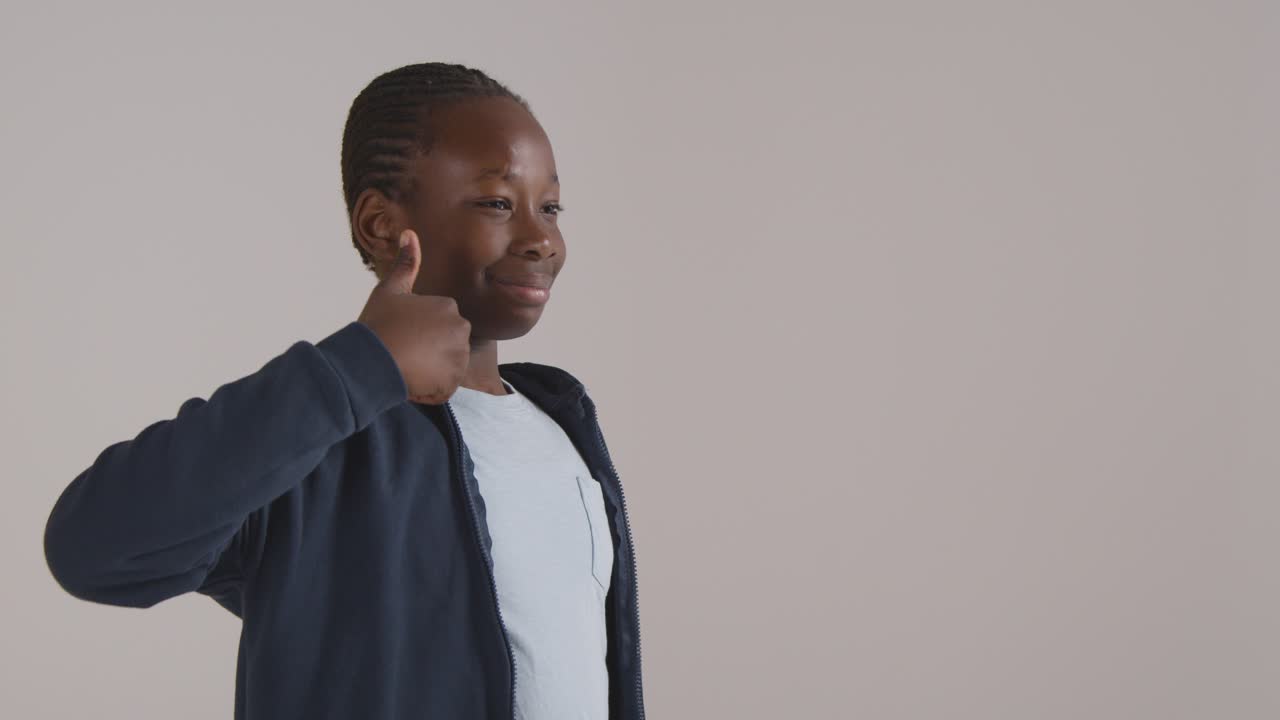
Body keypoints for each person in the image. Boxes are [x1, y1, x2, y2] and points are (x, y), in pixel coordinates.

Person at [42, 61, 645, 720]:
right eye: (498, 202)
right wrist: (359, 370)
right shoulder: (318, 438)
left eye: (550, 206)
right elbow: (94, 549)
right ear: (381, 226)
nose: (542, 239)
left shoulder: (565, 433)